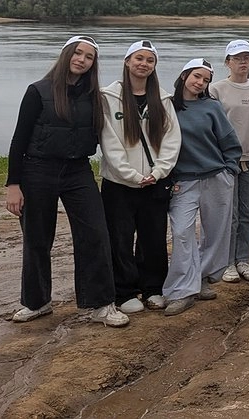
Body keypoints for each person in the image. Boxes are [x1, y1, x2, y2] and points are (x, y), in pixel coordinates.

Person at [5, 35, 129, 327]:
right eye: (78, 54)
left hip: (77, 171)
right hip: (37, 170)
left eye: (88, 57)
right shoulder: (38, 91)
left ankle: (100, 303)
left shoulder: (95, 97)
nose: (82, 60)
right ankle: (36, 302)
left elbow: (111, 135)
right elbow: (18, 139)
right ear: (66, 55)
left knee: (96, 234)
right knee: (37, 237)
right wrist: (13, 185)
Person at [100, 40, 182, 314]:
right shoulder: (108, 97)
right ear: (127, 62)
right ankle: (123, 291)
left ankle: (153, 287)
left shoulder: (163, 99)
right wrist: (130, 174)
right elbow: (109, 141)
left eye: (149, 60)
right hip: (119, 184)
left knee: (153, 237)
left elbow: (172, 140)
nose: (143, 64)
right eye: (138, 58)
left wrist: (158, 172)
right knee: (120, 237)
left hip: (154, 182)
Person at [163, 59, 243, 316]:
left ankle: (202, 278)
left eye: (206, 80)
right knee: (183, 232)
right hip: (183, 180)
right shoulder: (168, 107)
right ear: (185, 75)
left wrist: (229, 170)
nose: (200, 83)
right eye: (197, 76)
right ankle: (180, 290)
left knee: (216, 233)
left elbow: (229, 141)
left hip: (216, 177)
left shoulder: (211, 107)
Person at [209, 40, 249, 284]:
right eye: (237, 58)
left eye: (246, 57)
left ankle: (243, 258)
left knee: (248, 213)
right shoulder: (216, 89)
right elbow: (211, 128)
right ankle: (227, 262)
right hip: (227, 161)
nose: (243, 62)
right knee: (229, 214)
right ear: (227, 62)